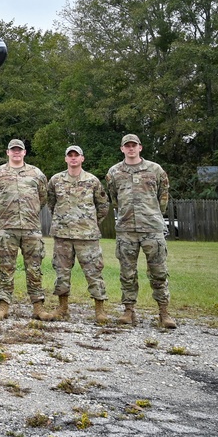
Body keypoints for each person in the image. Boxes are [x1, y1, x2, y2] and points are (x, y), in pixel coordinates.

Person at [105, 133, 175, 328]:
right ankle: (129, 311)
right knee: (127, 273)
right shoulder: (114, 172)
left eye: (133, 145)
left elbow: (163, 197)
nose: (130, 148)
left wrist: (153, 216)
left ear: (140, 147)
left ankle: (164, 312)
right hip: (126, 229)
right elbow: (115, 199)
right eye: (127, 146)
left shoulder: (155, 170)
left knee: (159, 272)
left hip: (152, 228)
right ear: (122, 149)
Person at [0, 139, 53, 321]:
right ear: (8, 152)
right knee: (6, 268)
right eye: (13, 150)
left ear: (24, 153)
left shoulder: (36, 174)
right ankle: (3, 306)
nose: (16, 153)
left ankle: (38, 306)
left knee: (34, 269)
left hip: (31, 228)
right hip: (7, 228)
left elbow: (42, 198)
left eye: (19, 150)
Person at [47, 145, 111, 324]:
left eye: (77, 155)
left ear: (82, 158)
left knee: (94, 272)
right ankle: (62, 308)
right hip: (63, 235)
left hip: (87, 236)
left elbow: (103, 206)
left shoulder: (92, 181)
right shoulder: (56, 180)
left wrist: (90, 223)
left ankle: (99, 309)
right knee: (61, 272)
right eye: (70, 155)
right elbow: (51, 203)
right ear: (66, 159)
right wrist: (63, 220)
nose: (73, 158)